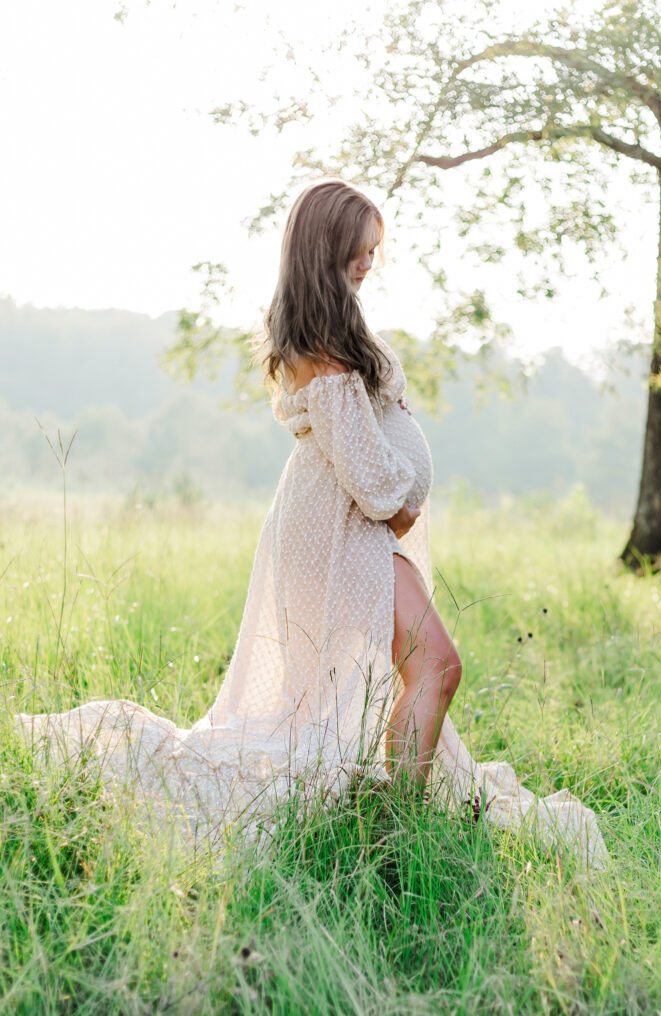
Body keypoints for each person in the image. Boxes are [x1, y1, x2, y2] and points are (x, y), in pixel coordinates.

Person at [16, 179, 608, 868]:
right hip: (340, 526)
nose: (369, 263)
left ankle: (394, 815)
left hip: (345, 525)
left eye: (375, 250)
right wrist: (403, 501)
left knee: (403, 678)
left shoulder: (333, 331)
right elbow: (364, 467)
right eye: (360, 249)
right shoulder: (318, 343)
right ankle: (400, 831)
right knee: (434, 666)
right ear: (325, 247)